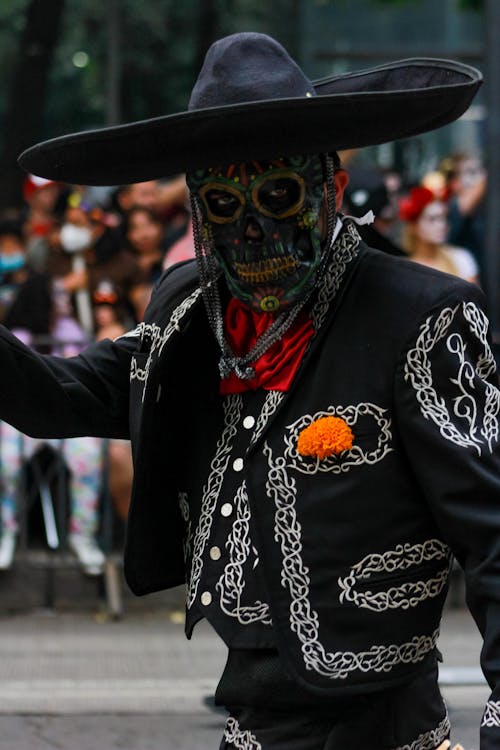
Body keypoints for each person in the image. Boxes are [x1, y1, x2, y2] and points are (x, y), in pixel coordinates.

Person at [11, 32, 498, 748]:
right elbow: (61, 396)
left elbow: (494, 533)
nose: (252, 229)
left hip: (383, 727)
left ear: (331, 189)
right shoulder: (190, 312)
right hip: (255, 721)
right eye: (221, 202)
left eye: (278, 194)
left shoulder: (419, 315)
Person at [399, 185, 480, 284]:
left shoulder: (461, 258)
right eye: (432, 219)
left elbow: (473, 298)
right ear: (414, 226)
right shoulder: (403, 269)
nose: (442, 225)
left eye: (444, 218)